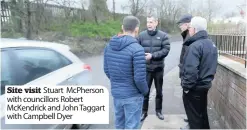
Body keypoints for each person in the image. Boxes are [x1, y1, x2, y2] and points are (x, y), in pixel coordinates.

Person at [103, 16, 149, 129]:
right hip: (132, 95)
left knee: (119, 124)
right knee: (132, 126)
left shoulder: (108, 46)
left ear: (122, 27)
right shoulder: (137, 49)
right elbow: (139, 78)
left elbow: (107, 70)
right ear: (137, 29)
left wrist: (118, 82)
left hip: (117, 95)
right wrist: (145, 91)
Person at [180, 16, 218, 129]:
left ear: (195, 29)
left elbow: (191, 71)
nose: (189, 29)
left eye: (190, 27)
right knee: (202, 115)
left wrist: (186, 87)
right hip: (205, 86)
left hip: (194, 88)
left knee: (195, 119)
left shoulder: (195, 46)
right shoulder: (211, 44)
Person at [138, 15, 170, 121]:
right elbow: (136, 49)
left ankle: (158, 111)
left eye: (151, 22)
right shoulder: (141, 35)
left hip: (158, 69)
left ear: (156, 23)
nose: (149, 24)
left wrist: (152, 55)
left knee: (159, 92)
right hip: (146, 69)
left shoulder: (163, 36)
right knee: (145, 92)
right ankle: (144, 112)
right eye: (147, 22)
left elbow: (166, 50)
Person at [177, 14, 192, 124]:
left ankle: (191, 123)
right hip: (185, 74)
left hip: (187, 76)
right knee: (187, 100)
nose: (180, 27)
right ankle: (190, 119)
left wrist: (185, 78)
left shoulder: (190, 37)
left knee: (189, 100)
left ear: (187, 24)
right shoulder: (187, 35)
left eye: (181, 25)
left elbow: (189, 61)